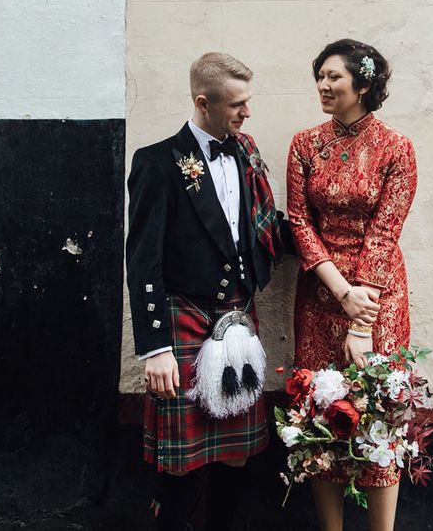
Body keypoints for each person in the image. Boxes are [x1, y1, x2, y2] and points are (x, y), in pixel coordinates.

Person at [126, 52, 283, 531]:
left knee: (237, 454)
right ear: (203, 102)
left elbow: (262, 226)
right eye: (237, 104)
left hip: (239, 320)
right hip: (183, 321)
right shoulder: (157, 162)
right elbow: (143, 258)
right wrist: (155, 348)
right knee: (182, 460)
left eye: (246, 102)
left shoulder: (244, 152)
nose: (246, 113)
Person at [286, 39, 418, 531]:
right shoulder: (304, 143)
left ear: (363, 83)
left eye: (334, 77)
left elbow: (386, 231)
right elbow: (299, 222)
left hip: (379, 294)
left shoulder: (397, 148)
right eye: (319, 75)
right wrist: (340, 290)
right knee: (321, 410)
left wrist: (361, 316)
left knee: (376, 408)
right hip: (321, 291)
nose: (323, 84)